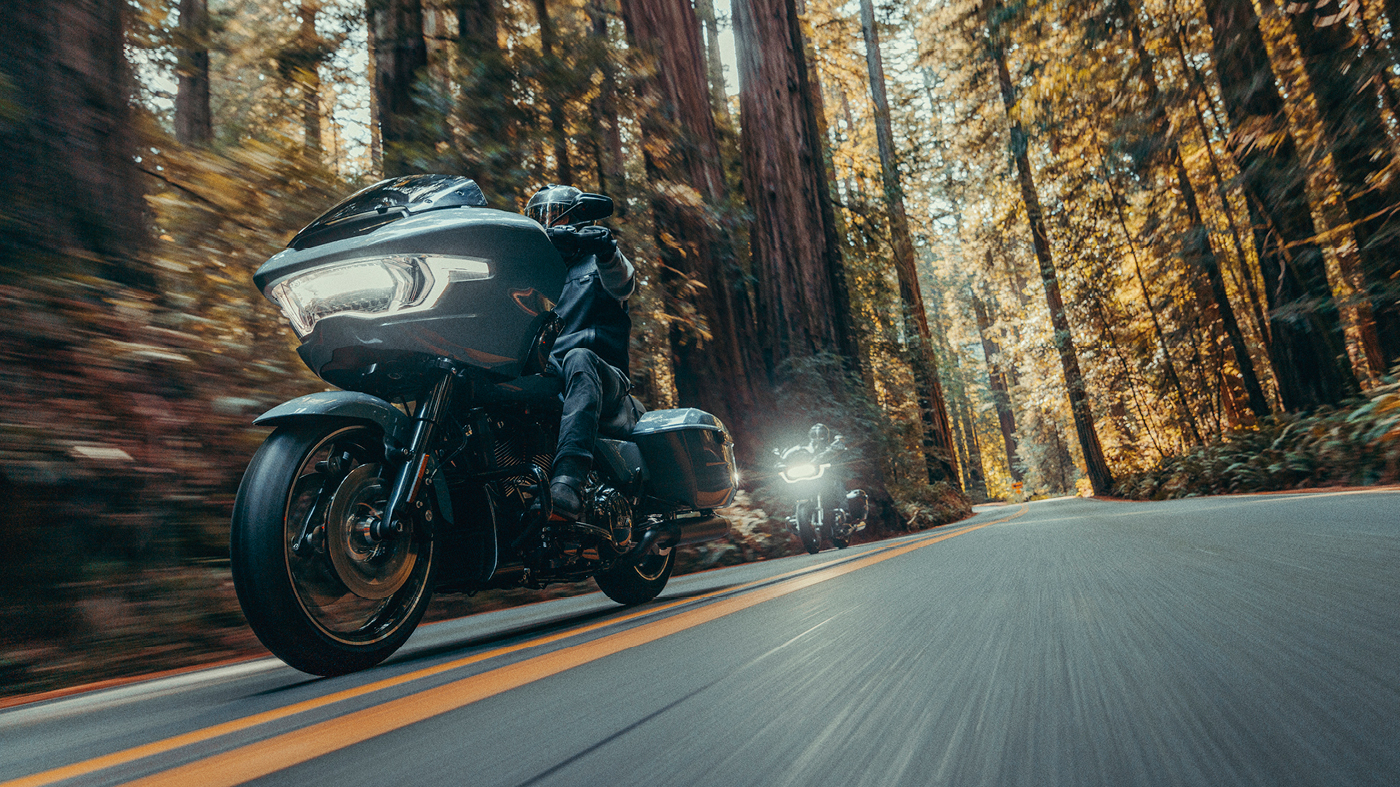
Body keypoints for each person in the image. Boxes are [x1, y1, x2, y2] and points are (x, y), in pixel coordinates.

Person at [525, 184, 640, 522]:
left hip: (604, 374)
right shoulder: (535, 276)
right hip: (552, 371)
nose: (547, 225)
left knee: (579, 357)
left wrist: (605, 249)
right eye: (538, 218)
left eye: (554, 215)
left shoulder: (599, 263)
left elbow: (623, 283)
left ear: (577, 219)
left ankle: (568, 483)